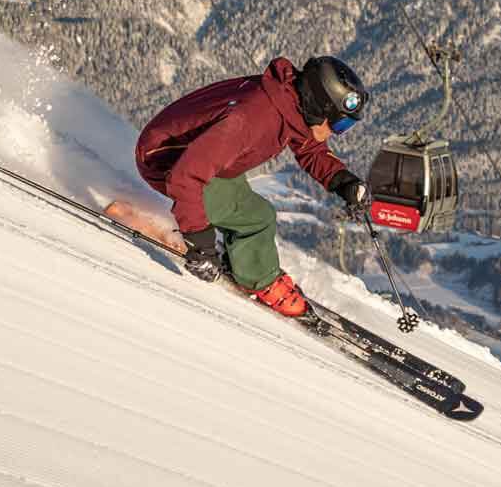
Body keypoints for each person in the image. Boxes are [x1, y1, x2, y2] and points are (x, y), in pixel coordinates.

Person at [135, 56, 372, 316]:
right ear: (318, 106)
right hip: (166, 160)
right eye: (340, 124)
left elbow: (310, 148)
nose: (337, 131)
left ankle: (244, 260)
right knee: (257, 219)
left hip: (198, 157)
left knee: (250, 209)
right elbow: (187, 175)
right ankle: (261, 282)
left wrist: (344, 182)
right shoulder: (253, 118)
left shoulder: (288, 102)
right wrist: (200, 244)